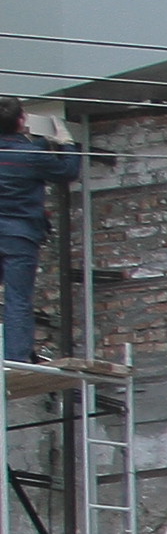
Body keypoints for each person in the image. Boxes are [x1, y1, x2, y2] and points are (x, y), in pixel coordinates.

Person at [0, 100, 83, 368]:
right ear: (22, 120)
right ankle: (15, 360)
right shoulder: (32, 154)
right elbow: (68, 172)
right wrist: (66, 143)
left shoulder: (30, 151)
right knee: (17, 299)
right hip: (19, 236)